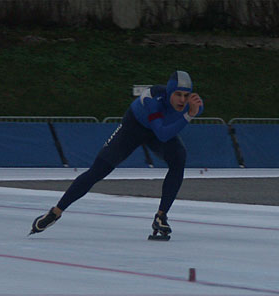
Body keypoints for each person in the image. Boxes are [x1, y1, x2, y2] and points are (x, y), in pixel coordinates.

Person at [30, 70, 203, 239]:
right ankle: (56, 212)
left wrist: (190, 113)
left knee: (179, 159)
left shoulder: (193, 105)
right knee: (98, 171)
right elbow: (163, 134)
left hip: (157, 131)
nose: (182, 100)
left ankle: (161, 216)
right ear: (169, 92)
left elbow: (164, 132)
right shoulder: (153, 99)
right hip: (133, 128)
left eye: (186, 95)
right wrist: (188, 116)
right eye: (178, 94)